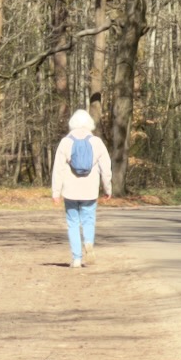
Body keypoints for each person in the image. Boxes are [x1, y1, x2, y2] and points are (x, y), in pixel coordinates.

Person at [50, 108, 110, 267]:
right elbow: (106, 168)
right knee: (89, 220)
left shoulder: (66, 142)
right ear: (89, 123)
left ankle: (76, 258)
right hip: (90, 191)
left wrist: (56, 192)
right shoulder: (97, 142)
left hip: (70, 191)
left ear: (72, 124)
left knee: (73, 223)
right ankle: (88, 242)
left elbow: (58, 169)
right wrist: (107, 188)